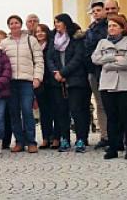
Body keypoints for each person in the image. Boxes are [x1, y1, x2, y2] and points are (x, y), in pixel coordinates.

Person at [92, 15, 127, 160]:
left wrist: (107, 64)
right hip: (106, 84)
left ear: (122, 28)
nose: (111, 28)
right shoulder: (102, 42)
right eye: (110, 26)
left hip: (126, 85)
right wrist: (112, 58)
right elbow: (95, 59)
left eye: (115, 26)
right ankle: (113, 147)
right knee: (111, 117)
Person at [0, 15, 44, 153]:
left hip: (27, 80)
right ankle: (19, 141)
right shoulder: (5, 43)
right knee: (14, 112)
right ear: (9, 26)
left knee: (27, 111)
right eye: (11, 23)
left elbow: (39, 60)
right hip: (10, 82)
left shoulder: (31, 40)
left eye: (16, 23)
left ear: (20, 24)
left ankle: (31, 141)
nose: (14, 25)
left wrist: (37, 77)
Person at [48, 14, 90, 153]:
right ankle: (64, 139)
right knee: (61, 111)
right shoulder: (53, 39)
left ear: (66, 23)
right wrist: (56, 73)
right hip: (58, 81)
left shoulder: (76, 38)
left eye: (59, 22)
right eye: (55, 22)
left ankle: (81, 139)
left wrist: (64, 73)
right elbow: (49, 58)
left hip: (75, 79)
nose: (56, 24)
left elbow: (78, 58)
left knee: (77, 110)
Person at [85, 1, 109, 149]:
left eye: (98, 10)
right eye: (93, 11)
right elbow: (87, 49)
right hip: (93, 71)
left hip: (108, 69)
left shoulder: (109, 27)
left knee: (110, 104)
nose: (95, 13)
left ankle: (115, 135)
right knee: (100, 105)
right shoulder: (90, 30)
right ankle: (104, 135)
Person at [33, 24, 58, 150]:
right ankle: (45, 137)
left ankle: (55, 137)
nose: (40, 33)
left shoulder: (52, 45)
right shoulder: (34, 47)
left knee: (54, 110)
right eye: (37, 32)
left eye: (42, 31)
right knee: (44, 112)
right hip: (40, 82)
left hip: (52, 81)